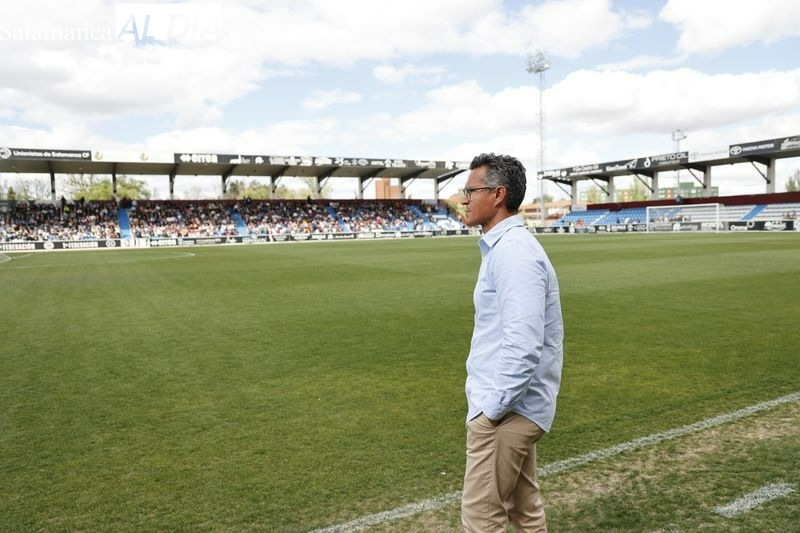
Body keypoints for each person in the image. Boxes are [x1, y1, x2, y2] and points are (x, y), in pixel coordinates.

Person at [460, 153, 564, 532]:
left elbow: (523, 344)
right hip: (514, 409)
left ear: (498, 194)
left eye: (470, 190)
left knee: (481, 520)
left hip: (507, 412)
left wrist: (491, 413)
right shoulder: (505, 248)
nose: (464, 199)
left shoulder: (514, 253)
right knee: (524, 511)